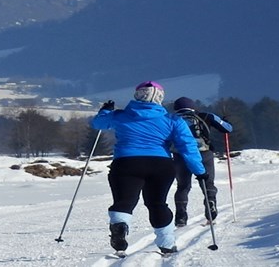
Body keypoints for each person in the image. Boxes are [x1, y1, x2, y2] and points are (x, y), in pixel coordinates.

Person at [90, 81, 206, 255]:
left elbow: (97, 124)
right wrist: (200, 171)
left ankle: (120, 226)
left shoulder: (120, 115)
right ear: (160, 98)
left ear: (137, 95)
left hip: (126, 163)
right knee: (157, 203)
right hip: (160, 165)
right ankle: (167, 244)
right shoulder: (173, 120)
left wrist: (106, 110)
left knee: (124, 202)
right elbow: (188, 147)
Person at [168, 96, 233, 226]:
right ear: (193, 107)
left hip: (180, 156)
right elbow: (228, 129)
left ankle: (181, 216)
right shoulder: (206, 116)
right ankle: (210, 206)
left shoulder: (171, 119)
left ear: (176, 108)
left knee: (183, 186)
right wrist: (225, 121)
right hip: (204, 154)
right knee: (208, 183)